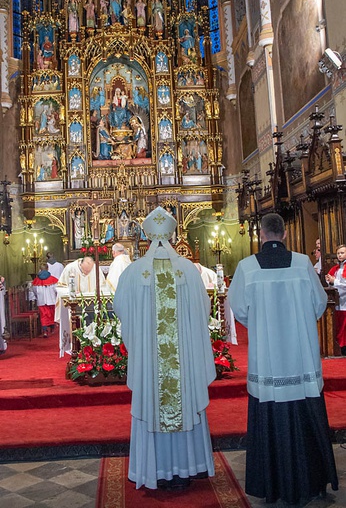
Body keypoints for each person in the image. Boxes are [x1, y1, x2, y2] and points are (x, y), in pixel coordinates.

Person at [228, 213, 338, 504]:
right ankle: (313, 481)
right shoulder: (303, 264)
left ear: (262, 235)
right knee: (306, 409)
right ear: (285, 234)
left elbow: (239, 310)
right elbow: (319, 303)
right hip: (301, 361)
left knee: (269, 413)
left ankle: (271, 485)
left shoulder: (247, 267)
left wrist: (264, 324)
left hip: (267, 360)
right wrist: (297, 322)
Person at [113, 206, 215, 490]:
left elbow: (119, 308)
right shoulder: (188, 270)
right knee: (184, 399)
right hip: (182, 363)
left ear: (147, 238)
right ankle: (188, 467)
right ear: (172, 237)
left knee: (152, 402)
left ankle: (155, 470)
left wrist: (141, 331)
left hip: (150, 364)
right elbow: (203, 310)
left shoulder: (134, 272)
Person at [55, 256, 108, 356]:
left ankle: (93, 348)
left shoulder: (96, 269)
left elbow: (103, 286)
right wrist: (71, 291)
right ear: (80, 264)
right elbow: (60, 287)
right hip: (74, 306)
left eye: (89, 271)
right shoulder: (70, 268)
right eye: (85, 271)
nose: (87, 273)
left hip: (92, 305)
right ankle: (75, 347)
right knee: (75, 324)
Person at [325, 244, 346, 356]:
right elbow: (331, 280)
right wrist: (329, 280)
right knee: (338, 327)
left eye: (342, 253)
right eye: (338, 253)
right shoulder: (336, 268)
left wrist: (334, 281)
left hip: (345, 302)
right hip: (337, 303)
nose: (340, 255)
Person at [32, 263, 58, 337]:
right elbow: (56, 289)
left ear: (40, 269)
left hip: (41, 300)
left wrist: (38, 297)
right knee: (51, 314)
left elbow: (34, 290)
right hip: (51, 300)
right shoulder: (52, 279)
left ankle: (45, 331)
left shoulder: (36, 280)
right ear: (47, 269)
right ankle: (52, 328)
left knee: (43, 316)